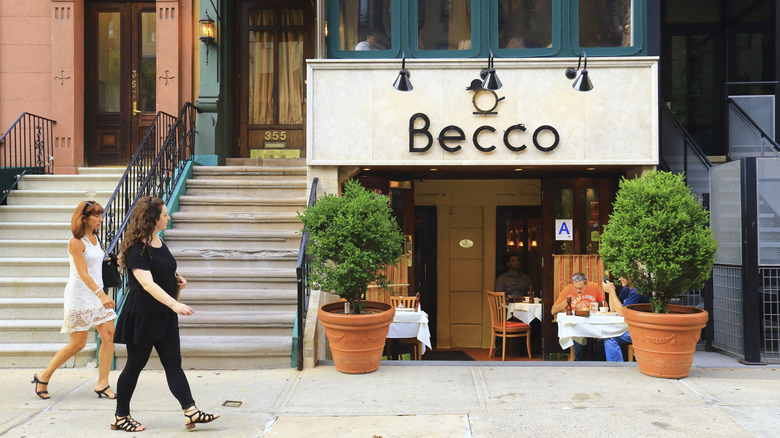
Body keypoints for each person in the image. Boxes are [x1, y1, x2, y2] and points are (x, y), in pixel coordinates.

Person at [112, 197, 218, 432]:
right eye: (165, 214)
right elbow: (147, 284)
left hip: (163, 313)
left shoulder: (158, 241)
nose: (168, 217)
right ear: (153, 218)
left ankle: (190, 411)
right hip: (142, 315)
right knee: (134, 365)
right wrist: (175, 305)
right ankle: (120, 416)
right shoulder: (136, 248)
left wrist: (176, 279)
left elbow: (163, 269)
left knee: (173, 363)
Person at [32, 201, 117, 400]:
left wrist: (110, 260)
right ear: (84, 218)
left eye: (100, 215)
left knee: (109, 334)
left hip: (95, 293)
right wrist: (101, 294)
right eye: (96, 216)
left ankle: (103, 384)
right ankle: (43, 376)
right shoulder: (75, 241)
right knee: (77, 344)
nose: (100, 219)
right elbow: (83, 273)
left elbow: (95, 264)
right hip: (81, 294)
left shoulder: (95, 238)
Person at [551, 272, 605, 361]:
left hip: (593, 324)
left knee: (604, 340)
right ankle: (578, 363)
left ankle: (596, 362)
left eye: (581, 288)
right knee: (578, 338)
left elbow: (603, 303)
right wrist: (566, 302)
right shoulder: (567, 289)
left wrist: (601, 310)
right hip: (577, 325)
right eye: (576, 288)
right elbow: (553, 311)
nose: (578, 291)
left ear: (586, 284)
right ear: (572, 284)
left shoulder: (594, 287)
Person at [602, 277, 651, 362]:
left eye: (622, 276)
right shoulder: (626, 289)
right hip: (631, 327)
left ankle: (617, 368)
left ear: (631, 276)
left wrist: (612, 292)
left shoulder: (637, 291)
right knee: (603, 337)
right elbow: (614, 309)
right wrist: (611, 292)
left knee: (610, 339)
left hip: (642, 331)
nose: (619, 279)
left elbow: (622, 313)